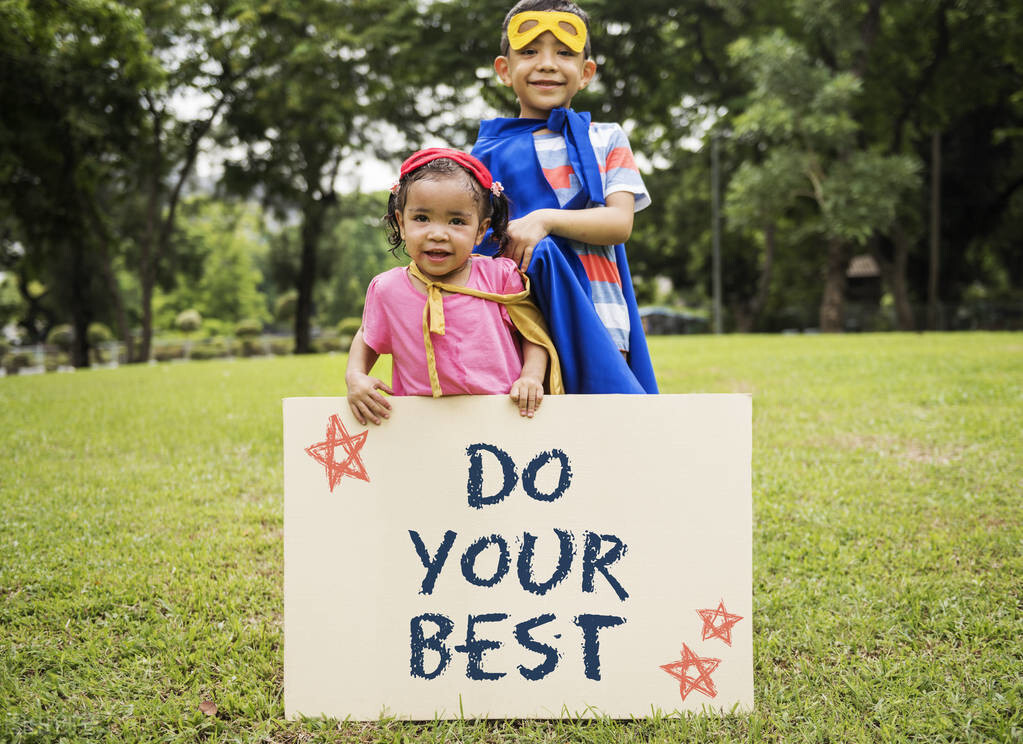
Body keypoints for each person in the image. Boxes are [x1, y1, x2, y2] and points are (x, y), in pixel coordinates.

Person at [471, 0, 658, 395]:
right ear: (504, 70)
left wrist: (546, 219)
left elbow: (619, 223)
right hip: (517, 324)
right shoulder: (482, 156)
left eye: (565, 53)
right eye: (529, 52)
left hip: (600, 315)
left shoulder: (606, 138)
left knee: (606, 434)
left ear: (586, 73)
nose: (547, 63)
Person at [346, 148, 562, 425]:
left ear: (481, 230)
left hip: (503, 420)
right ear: (401, 222)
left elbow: (533, 333)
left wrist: (531, 376)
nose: (438, 234)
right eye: (421, 218)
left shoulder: (499, 277)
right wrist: (355, 376)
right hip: (423, 428)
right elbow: (368, 336)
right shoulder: (387, 289)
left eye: (457, 221)